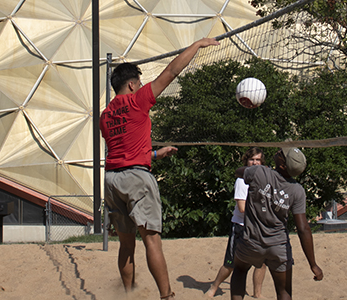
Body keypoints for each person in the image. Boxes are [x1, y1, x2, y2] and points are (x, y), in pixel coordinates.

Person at [100, 37, 220, 300]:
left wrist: (155, 153)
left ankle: (129, 294)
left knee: (126, 244)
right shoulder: (137, 100)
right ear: (132, 85)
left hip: (111, 180)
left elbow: (123, 149)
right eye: (139, 83)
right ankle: (166, 295)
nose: (142, 86)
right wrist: (197, 45)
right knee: (151, 240)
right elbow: (172, 71)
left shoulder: (105, 116)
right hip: (136, 178)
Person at [231, 147, 323, 300]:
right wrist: (313, 264)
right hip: (278, 246)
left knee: (240, 270)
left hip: (252, 241)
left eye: (282, 154)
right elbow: (303, 228)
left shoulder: (259, 172)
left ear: (282, 165)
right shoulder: (297, 190)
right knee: (284, 292)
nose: (279, 151)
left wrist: (256, 169)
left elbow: (238, 171)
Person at [205, 148, 267, 298]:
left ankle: (257, 294)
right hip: (241, 226)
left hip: (258, 227)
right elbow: (242, 208)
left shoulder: (263, 180)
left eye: (258, 160)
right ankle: (213, 287)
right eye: (252, 159)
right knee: (231, 263)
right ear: (246, 161)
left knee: (262, 262)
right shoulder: (241, 181)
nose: (254, 162)